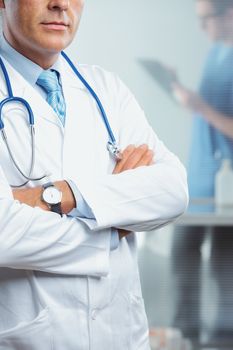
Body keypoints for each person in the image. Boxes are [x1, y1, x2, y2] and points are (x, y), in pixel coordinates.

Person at [0, 1, 188, 349]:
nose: (60, 4)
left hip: (122, 336)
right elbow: (4, 234)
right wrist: (115, 221)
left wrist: (58, 195)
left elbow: (173, 190)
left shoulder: (106, 90)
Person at [171, 0, 233, 340]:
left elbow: (216, 116)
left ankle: (225, 339)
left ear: (230, 14)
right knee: (183, 254)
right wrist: (183, 94)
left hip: (226, 189)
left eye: (206, 19)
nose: (201, 28)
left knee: (225, 267)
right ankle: (186, 335)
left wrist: (201, 107)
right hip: (199, 182)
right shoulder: (216, 53)